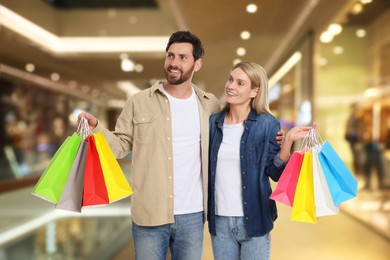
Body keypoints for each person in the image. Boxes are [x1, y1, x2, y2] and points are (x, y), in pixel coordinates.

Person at [79, 31, 283, 260]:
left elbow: (240, 127)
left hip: (193, 217)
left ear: (197, 64)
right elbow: (120, 146)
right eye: (170, 56)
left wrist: (275, 138)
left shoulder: (210, 106)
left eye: (182, 57)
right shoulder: (139, 101)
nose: (174, 63)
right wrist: (96, 127)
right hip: (150, 215)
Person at [207, 62, 313, 260]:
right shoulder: (213, 123)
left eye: (240, 83)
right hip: (220, 221)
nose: (231, 86)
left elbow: (274, 173)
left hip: (255, 219)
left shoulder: (267, 124)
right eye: (230, 79)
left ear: (254, 91)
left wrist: (287, 141)